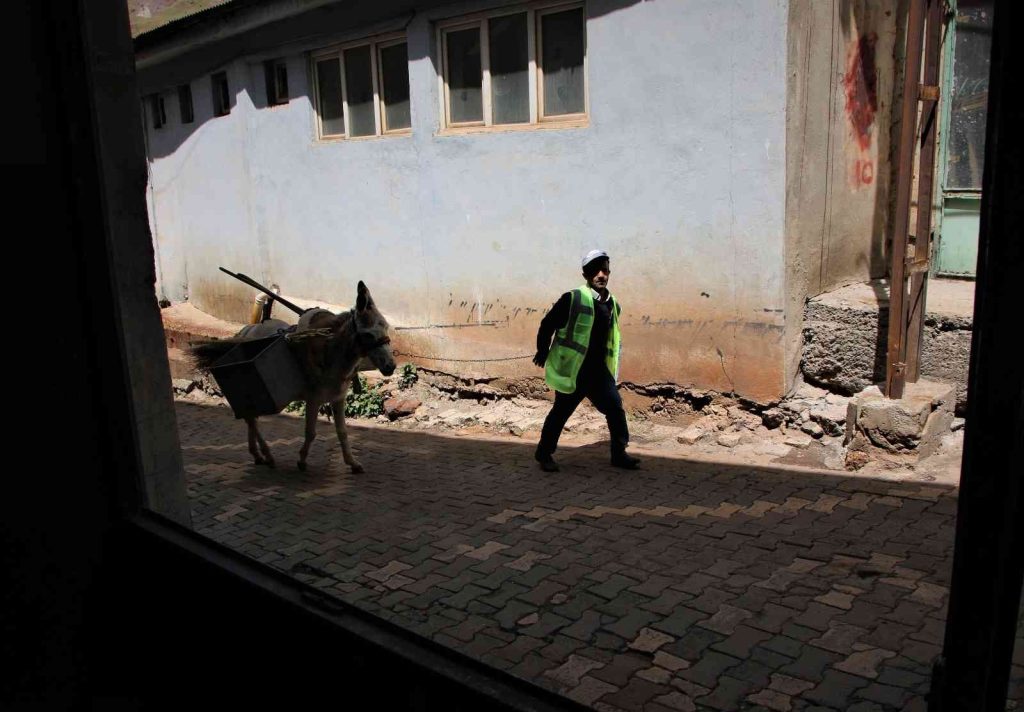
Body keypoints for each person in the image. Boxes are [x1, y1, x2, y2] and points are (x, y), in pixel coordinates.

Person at [533, 250, 641, 472]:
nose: (601, 274)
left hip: (599, 371)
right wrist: (542, 351)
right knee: (561, 412)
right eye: (596, 270)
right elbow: (547, 324)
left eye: (605, 269)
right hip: (575, 370)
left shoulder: (612, 304)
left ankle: (619, 453)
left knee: (615, 408)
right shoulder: (572, 298)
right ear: (585, 274)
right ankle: (544, 454)